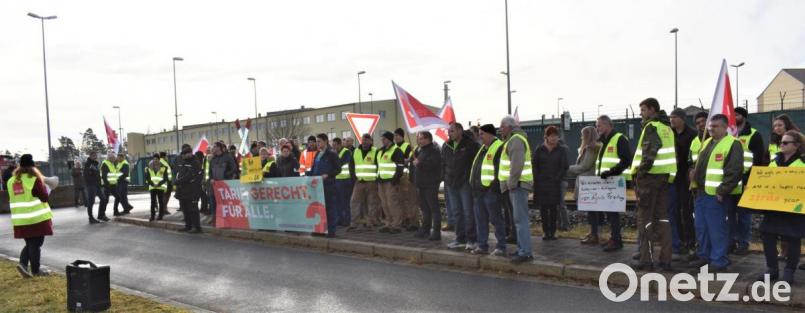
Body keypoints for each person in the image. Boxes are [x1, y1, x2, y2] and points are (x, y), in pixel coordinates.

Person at [687, 114, 743, 273]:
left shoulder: (733, 144)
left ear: (725, 127)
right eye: (710, 126)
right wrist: (692, 173)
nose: (711, 129)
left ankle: (719, 261)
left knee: (716, 229)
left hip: (715, 195)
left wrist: (722, 190)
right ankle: (704, 256)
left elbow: (734, 171)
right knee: (701, 227)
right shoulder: (706, 143)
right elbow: (698, 164)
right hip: (701, 192)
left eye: (715, 126)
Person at [630, 98, 676, 271]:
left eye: (643, 110)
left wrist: (640, 174)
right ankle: (666, 260)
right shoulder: (667, 128)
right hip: (664, 178)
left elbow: (649, 154)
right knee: (663, 218)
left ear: (652, 109)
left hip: (649, 179)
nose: (641, 113)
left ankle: (646, 259)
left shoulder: (651, 127)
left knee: (645, 219)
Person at [757, 130, 804, 284]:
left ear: (796, 145)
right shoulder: (774, 161)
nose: (781, 145)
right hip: (774, 206)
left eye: (785, 143)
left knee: (793, 238)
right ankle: (772, 270)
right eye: (781, 142)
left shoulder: (802, 163)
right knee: (767, 235)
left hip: (794, 208)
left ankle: (789, 271)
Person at [7, 154, 53, 277]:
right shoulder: (33, 179)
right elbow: (44, 197)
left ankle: (23, 265)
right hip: (36, 218)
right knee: (36, 243)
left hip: (20, 220)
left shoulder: (11, 181)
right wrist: (48, 188)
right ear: (32, 167)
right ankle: (36, 271)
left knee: (30, 243)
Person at [499, 116, 534, 264]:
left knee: (520, 220)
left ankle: (525, 252)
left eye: (502, 126)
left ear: (509, 127)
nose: (500, 129)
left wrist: (511, 184)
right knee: (518, 220)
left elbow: (516, 165)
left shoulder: (515, 140)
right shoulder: (513, 140)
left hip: (518, 185)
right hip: (517, 185)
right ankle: (522, 249)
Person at [594, 115, 632, 252]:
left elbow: (626, 160)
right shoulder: (604, 141)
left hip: (615, 181)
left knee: (612, 212)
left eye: (599, 125)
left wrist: (611, 172)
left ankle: (616, 240)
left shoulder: (619, 139)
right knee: (610, 212)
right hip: (607, 181)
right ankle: (614, 238)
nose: (597, 128)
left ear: (607, 125)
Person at [469, 124, 507, 255]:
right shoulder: (483, 148)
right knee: (481, 220)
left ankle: (501, 246)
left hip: (491, 191)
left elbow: (500, 169)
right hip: (479, 191)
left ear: (490, 134)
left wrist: (493, 187)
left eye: (482, 134)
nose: (480, 136)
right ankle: (482, 246)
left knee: (496, 220)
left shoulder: (499, 147)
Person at [767, 114, 800, 261]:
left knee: (794, 227)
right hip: (777, 188)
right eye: (774, 126)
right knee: (778, 225)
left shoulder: (797, 139)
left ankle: (791, 256)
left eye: (780, 125)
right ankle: (783, 251)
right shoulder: (772, 143)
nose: (777, 128)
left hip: (794, 190)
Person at [443, 122, 480, 250]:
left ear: (460, 131)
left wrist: (468, 178)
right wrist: (445, 177)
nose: (449, 133)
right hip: (451, 183)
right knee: (457, 212)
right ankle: (460, 239)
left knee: (468, 212)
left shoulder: (471, 145)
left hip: (465, 183)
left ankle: (472, 239)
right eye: (449, 131)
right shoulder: (446, 145)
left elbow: (475, 164)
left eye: (452, 131)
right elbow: (443, 163)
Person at [731, 106, 763, 255]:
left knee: (744, 214)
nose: (734, 117)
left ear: (743, 117)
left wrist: (751, 180)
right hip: (730, 180)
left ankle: (744, 243)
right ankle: (731, 241)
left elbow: (758, 160)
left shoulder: (754, 135)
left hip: (746, 180)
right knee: (730, 214)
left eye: (737, 115)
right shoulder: (729, 134)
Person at [668, 108, 697, 260]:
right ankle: (678, 241)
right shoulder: (669, 134)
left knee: (687, 211)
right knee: (673, 211)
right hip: (673, 178)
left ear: (683, 119)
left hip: (686, 178)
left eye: (675, 117)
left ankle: (690, 241)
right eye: (670, 117)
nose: (671, 120)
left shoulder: (692, 135)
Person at [533, 125, 568, 241]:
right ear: (546, 137)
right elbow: (535, 165)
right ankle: (545, 232)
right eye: (551, 136)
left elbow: (564, 166)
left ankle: (552, 232)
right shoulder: (539, 149)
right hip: (541, 184)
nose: (554, 138)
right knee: (543, 209)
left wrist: (557, 178)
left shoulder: (561, 150)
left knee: (553, 208)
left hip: (555, 183)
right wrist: (537, 178)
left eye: (556, 136)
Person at [568, 126, 602, 244]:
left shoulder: (591, 149)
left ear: (587, 136)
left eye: (583, 135)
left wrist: (567, 169)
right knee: (592, 210)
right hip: (589, 182)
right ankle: (593, 233)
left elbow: (584, 166)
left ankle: (594, 235)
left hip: (588, 183)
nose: (581, 137)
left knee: (592, 210)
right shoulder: (592, 148)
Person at [413, 131, 443, 241]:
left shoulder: (434, 150)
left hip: (430, 183)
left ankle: (436, 232)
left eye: (421, 138)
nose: (419, 141)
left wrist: (419, 163)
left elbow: (432, 165)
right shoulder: (422, 150)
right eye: (419, 138)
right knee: (424, 208)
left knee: (433, 208)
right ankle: (425, 229)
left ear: (427, 139)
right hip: (421, 183)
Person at [348, 134, 382, 230]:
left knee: (372, 203)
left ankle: (371, 223)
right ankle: (354, 223)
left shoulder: (376, 151)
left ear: (371, 141)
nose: (364, 142)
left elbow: (380, 166)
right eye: (363, 140)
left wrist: (377, 179)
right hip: (359, 181)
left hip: (372, 182)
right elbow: (351, 165)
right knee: (354, 202)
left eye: (367, 140)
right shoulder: (356, 151)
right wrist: (353, 177)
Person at [310, 133, 340, 237]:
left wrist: (328, 175)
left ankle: (331, 231)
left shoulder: (332, 154)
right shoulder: (317, 154)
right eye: (317, 142)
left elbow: (338, 169)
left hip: (328, 185)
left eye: (319, 141)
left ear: (325, 141)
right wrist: (309, 177)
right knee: (318, 208)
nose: (317, 143)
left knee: (329, 208)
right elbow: (314, 168)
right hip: (317, 186)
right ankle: (319, 230)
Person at [377, 131, 406, 234]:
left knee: (392, 203)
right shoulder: (380, 151)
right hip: (381, 181)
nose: (382, 140)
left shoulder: (396, 150)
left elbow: (400, 166)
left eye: (384, 138)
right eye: (382, 138)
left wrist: (395, 180)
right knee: (384, 203)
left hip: (391, 181)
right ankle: (388, 223)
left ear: (389, 139)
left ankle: (396, 225)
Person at [394, 128, 419, 232]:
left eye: (397, 135)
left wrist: (402, 160)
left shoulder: (407, 146)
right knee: (399, 199)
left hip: (405, 176)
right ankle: (403, 218)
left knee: (407, 199)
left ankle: (409, 219)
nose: (395, 137)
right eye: (394, 136)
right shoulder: (394, 147)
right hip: (396, 176)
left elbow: (409, 160)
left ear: (402, 136)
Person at [175, 144, 203, 233]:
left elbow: (190, 176)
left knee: (193, 209)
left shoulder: (195, 162)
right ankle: (188, 226)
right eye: (182, 155)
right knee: (185, 209)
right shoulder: (184, 162)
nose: (182, 156)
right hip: (184, 190)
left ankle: (196, 227)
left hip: (192, 190)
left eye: (184, 154)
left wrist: (178, 181)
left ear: (189, 154)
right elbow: (180, 173)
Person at [209, 142, 237, 225]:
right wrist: (211, 178)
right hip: (214, 185)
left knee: (225, 203)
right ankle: (215, 220)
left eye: (214, 146)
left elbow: (234, 169)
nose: (213, 148)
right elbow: (210, 172)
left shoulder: (227, 157)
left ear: (219, 148)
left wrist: (225, 175)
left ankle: (227, 220)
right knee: (214, 202)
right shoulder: (213, 159)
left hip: (224, 184)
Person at [332, 138, 354, 227]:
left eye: (335, 145)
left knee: (345, 201)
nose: (334, 147)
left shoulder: (346, 152)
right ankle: (340, 219)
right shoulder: (334, 153)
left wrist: (333, 164)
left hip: (345, 179)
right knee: (337, 201)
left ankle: (347, 220)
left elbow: (340, 163)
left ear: (339, 144)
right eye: (333, 145)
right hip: (336, 179)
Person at [83, 152, 105, 223]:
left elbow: (97, 175)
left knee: (103, 199)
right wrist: (93, 181)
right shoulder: (88, 164)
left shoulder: (95, 164)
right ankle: (91, 218)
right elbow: (87, 176)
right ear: (90, 156)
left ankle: (101, 215)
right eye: (93, 156)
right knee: (91, 202)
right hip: (91, 186)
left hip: (97, 185)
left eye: (96, 156)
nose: (95, 157)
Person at [145, 154, 168, 221]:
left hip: (160, 187)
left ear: (159, 160)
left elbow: (165, 178)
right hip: (152, 187)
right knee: (153, 202)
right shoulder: (149, 168)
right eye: (154, 159)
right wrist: (152, 184)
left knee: (161, 202)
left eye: (157, 159)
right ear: (153, 159)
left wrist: (159, 184)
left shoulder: (163, 168)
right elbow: (147, 178)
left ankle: (160, 216)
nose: (155, 160)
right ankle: (152, 216)